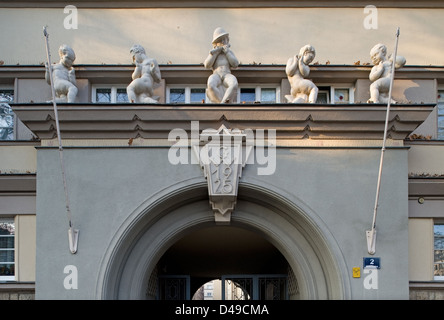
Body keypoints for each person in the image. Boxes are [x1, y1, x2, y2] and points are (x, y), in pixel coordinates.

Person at [204, 27, 239, 103]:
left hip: (226, 74)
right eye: (220, 40)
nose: (223, 42)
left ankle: (223, 103)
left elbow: (235, 64)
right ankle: (220, 104)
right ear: (216, 43)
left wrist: (227, 52)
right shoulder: (214, 53)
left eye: (224, 39)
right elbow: (207, 65)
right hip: (216, 74)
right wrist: (214, 54)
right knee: (210, 85)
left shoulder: (229, 52)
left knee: (234, 84)